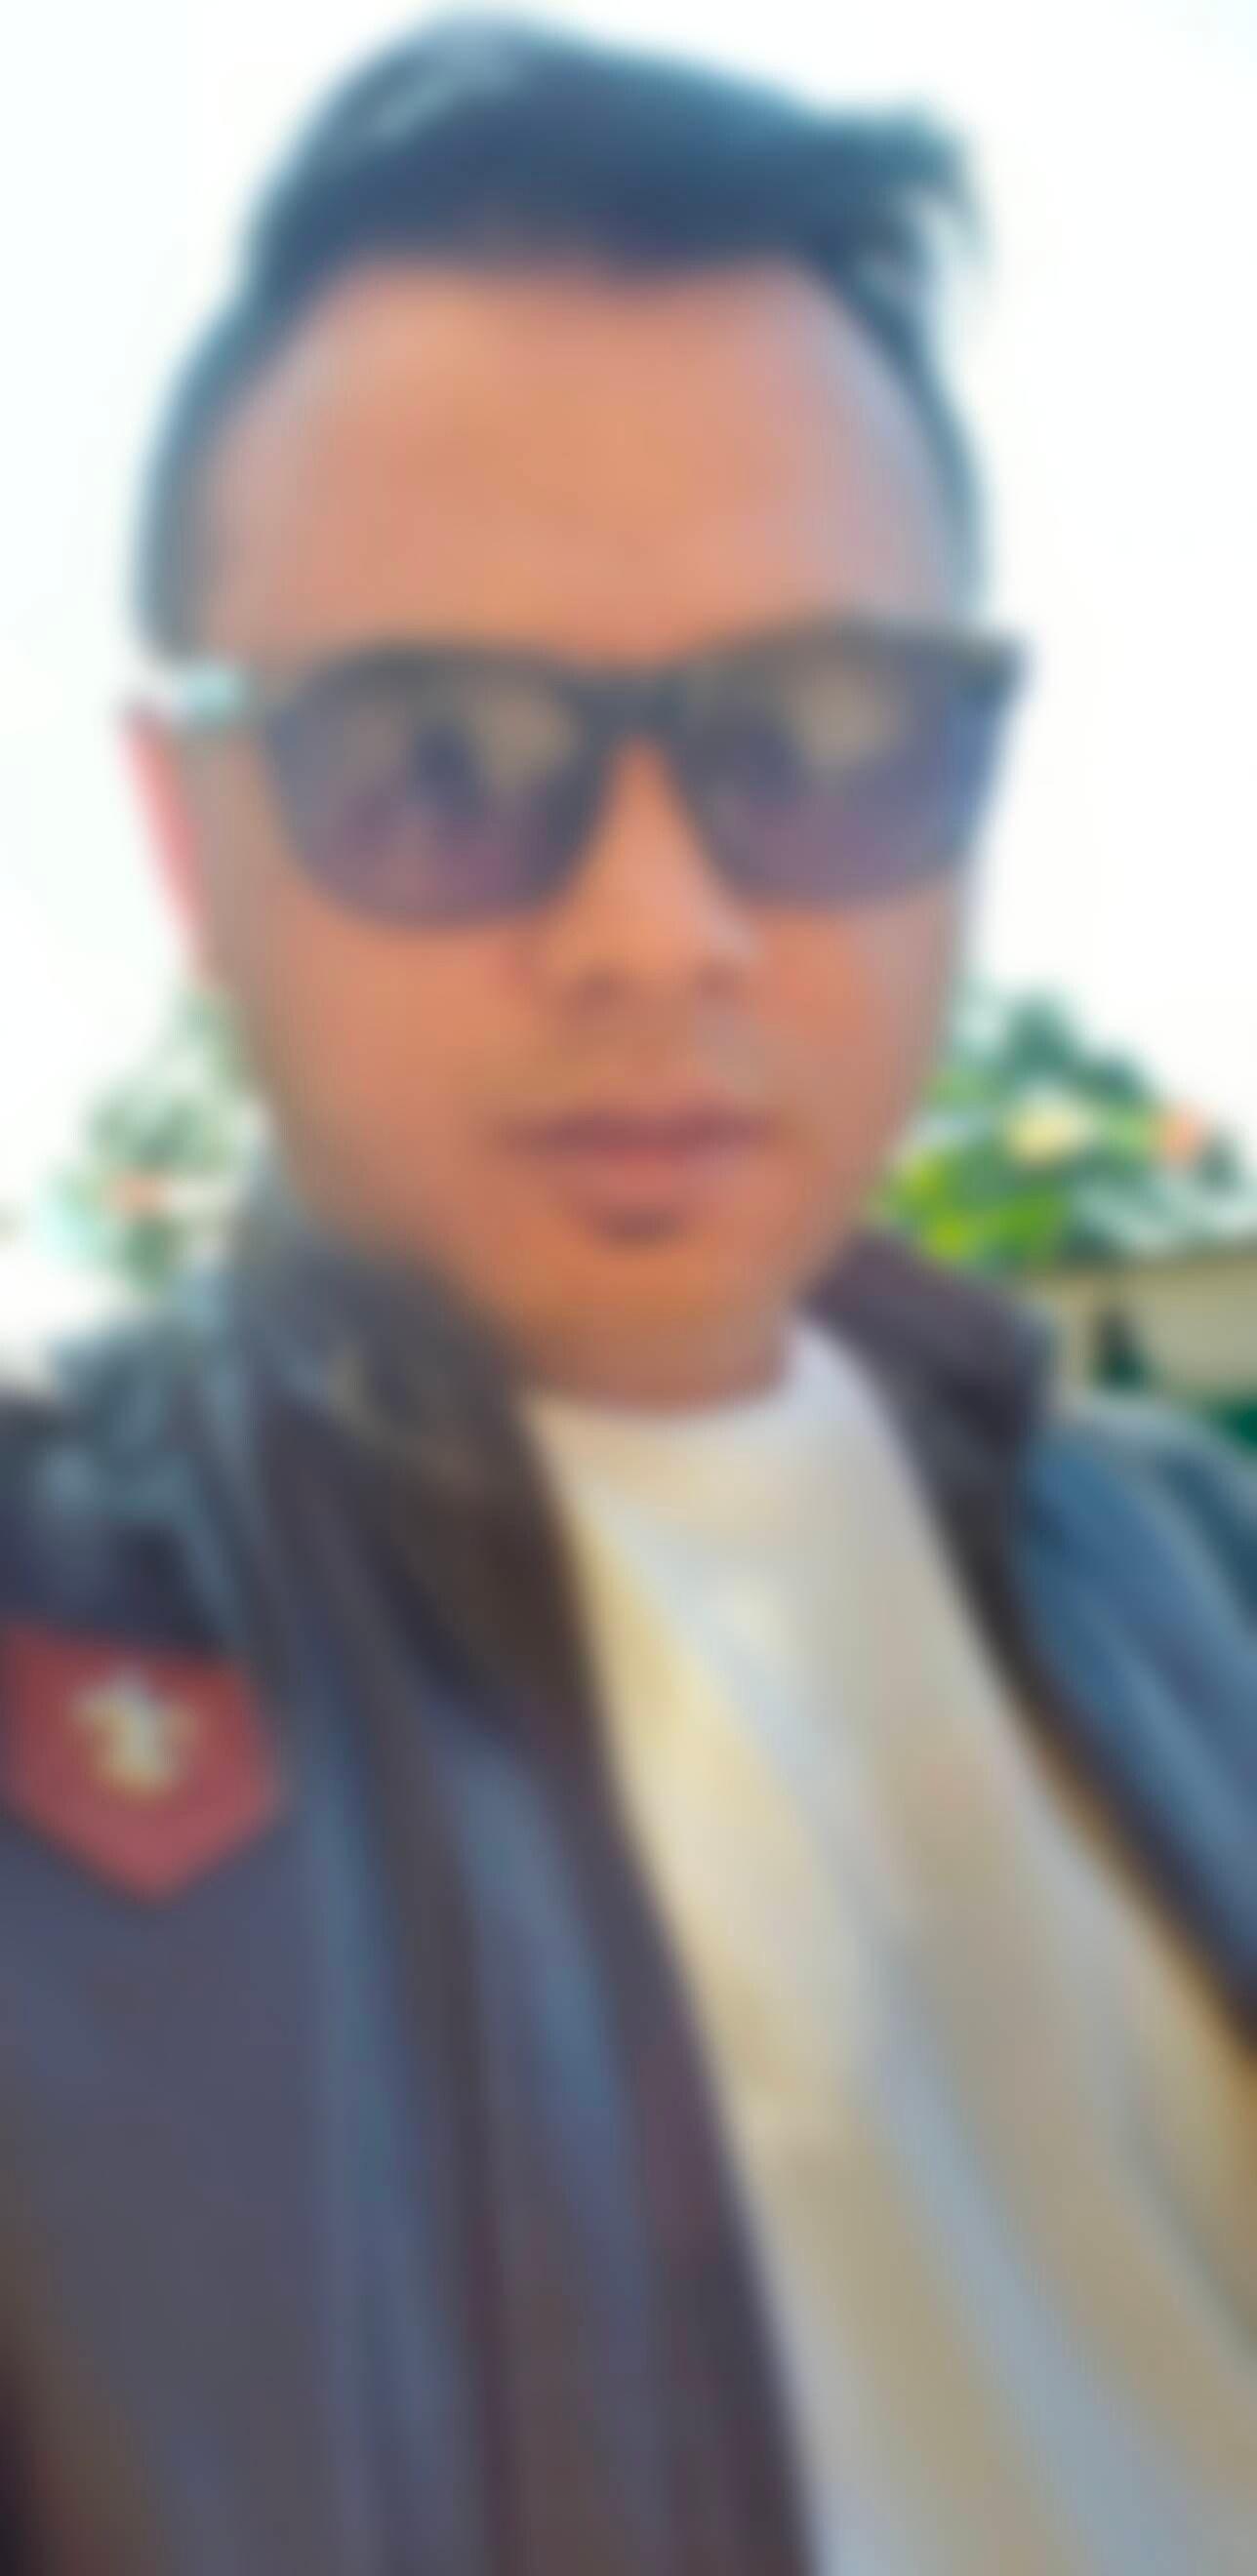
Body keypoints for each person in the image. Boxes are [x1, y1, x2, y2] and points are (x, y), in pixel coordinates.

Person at [2, 19, 1255, 2572]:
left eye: (820, 730)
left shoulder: (1206, 1588)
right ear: (191, 838)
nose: (656, 930)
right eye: (436, 762)